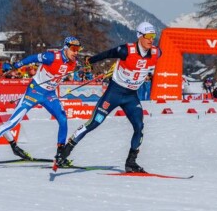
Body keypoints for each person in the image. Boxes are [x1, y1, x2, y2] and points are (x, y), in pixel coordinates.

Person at [57, 22, 161, 173]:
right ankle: (64, 153)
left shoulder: (157, 52)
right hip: (114, 93)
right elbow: (108, 53)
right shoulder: (126, 50)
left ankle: (131, 162)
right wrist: (90, 61)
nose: (151, 40)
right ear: (139, 36)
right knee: (94, 123)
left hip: (131, 97)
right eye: (148, 36)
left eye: (153, 36)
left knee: (139, 127)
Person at [0, 36, 81, 167]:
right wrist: (16, 66)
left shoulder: (73, 63)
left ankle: (60, 155)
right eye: (74, 49)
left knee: (63, 119)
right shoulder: (52, 57)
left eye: (78, 49)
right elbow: (32, 58)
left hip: (50, 95)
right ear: (66, 48)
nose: (76, 52)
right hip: (34, 92)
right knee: (12, 123)